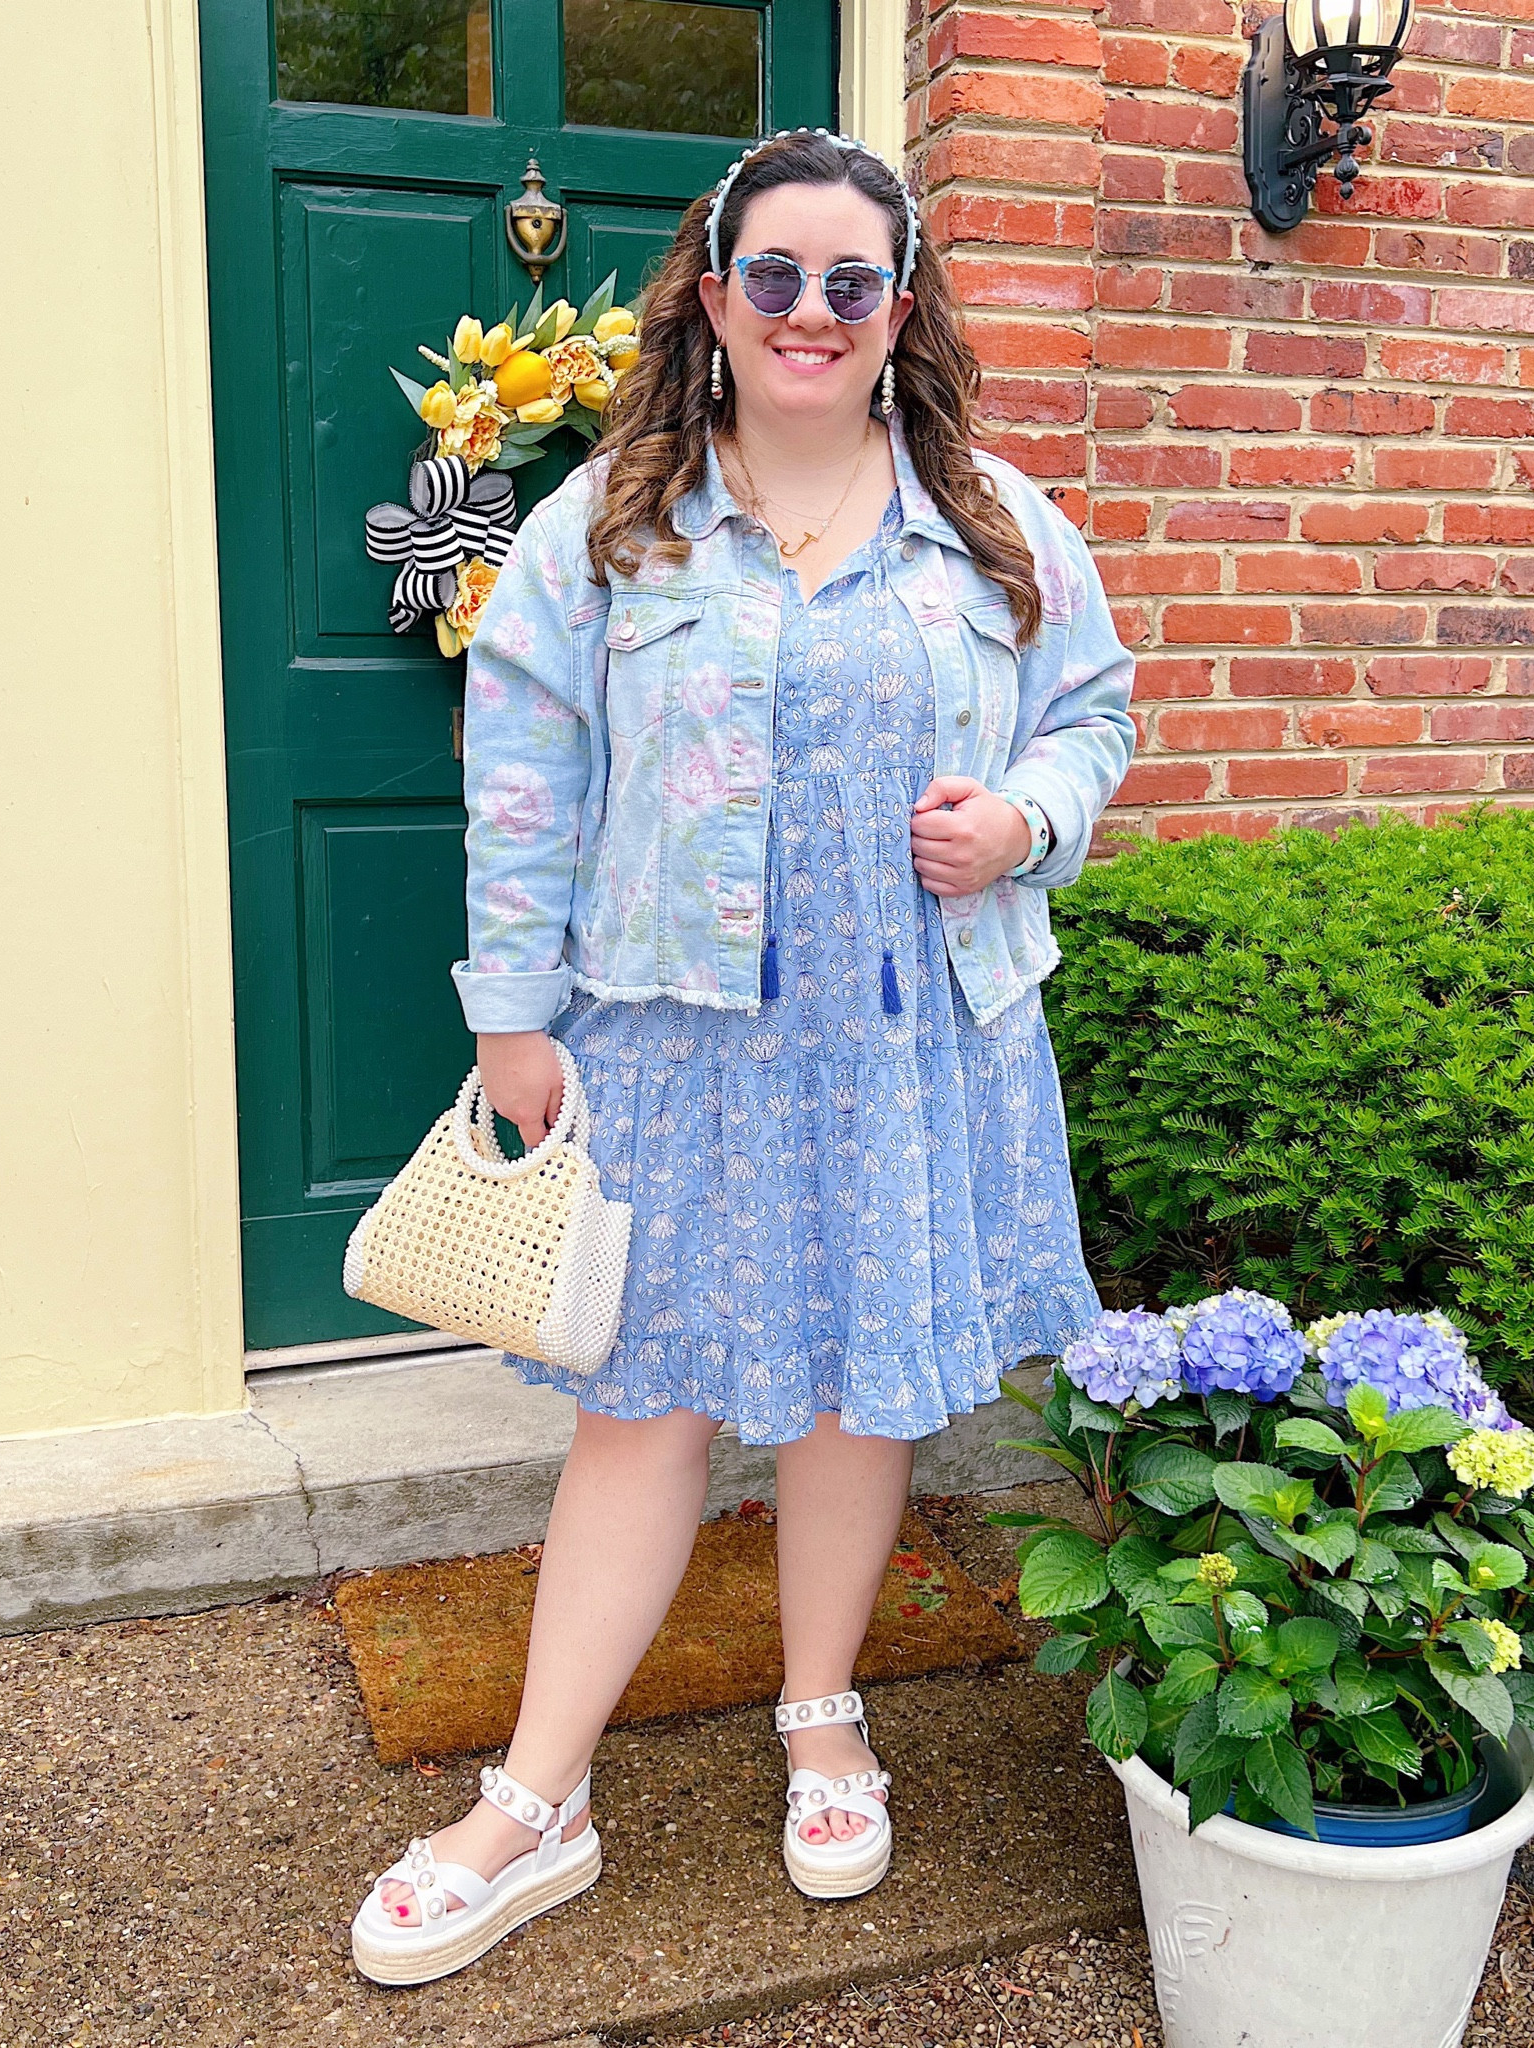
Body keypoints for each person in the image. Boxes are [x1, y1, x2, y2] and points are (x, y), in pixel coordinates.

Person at [351, 127, 1135, 1987]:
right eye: (771, 275)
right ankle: (533, 1802)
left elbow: (1091, 716)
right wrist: (511, 1017)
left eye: (848, 282)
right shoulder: (608, 525)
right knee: (645, 1406)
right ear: (711, 297)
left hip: (901, 1039)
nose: (808, 311)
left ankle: (817, 1712)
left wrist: (1025, 818)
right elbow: (525, 783)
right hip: (672, 1040)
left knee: (863, 1386)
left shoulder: (998, 528)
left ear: (897, 309)